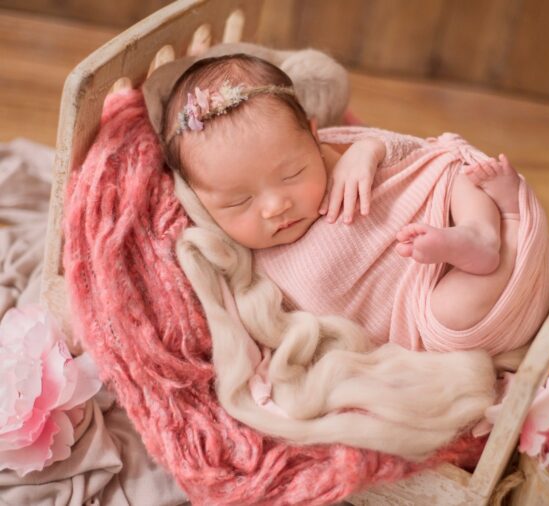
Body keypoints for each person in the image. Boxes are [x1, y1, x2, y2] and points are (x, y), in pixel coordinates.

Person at [161, 52, 527, 336]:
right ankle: (492, 234)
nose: (275, 206)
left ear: (312, 135)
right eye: (239, 202)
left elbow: (422, 157)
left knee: (456, 172)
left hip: (480, 234)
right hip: (442, 304)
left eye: (292, 174)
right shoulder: (248, 272)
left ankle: (483, 230)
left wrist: (370, 151)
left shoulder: (336, 153)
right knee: (453, 311)